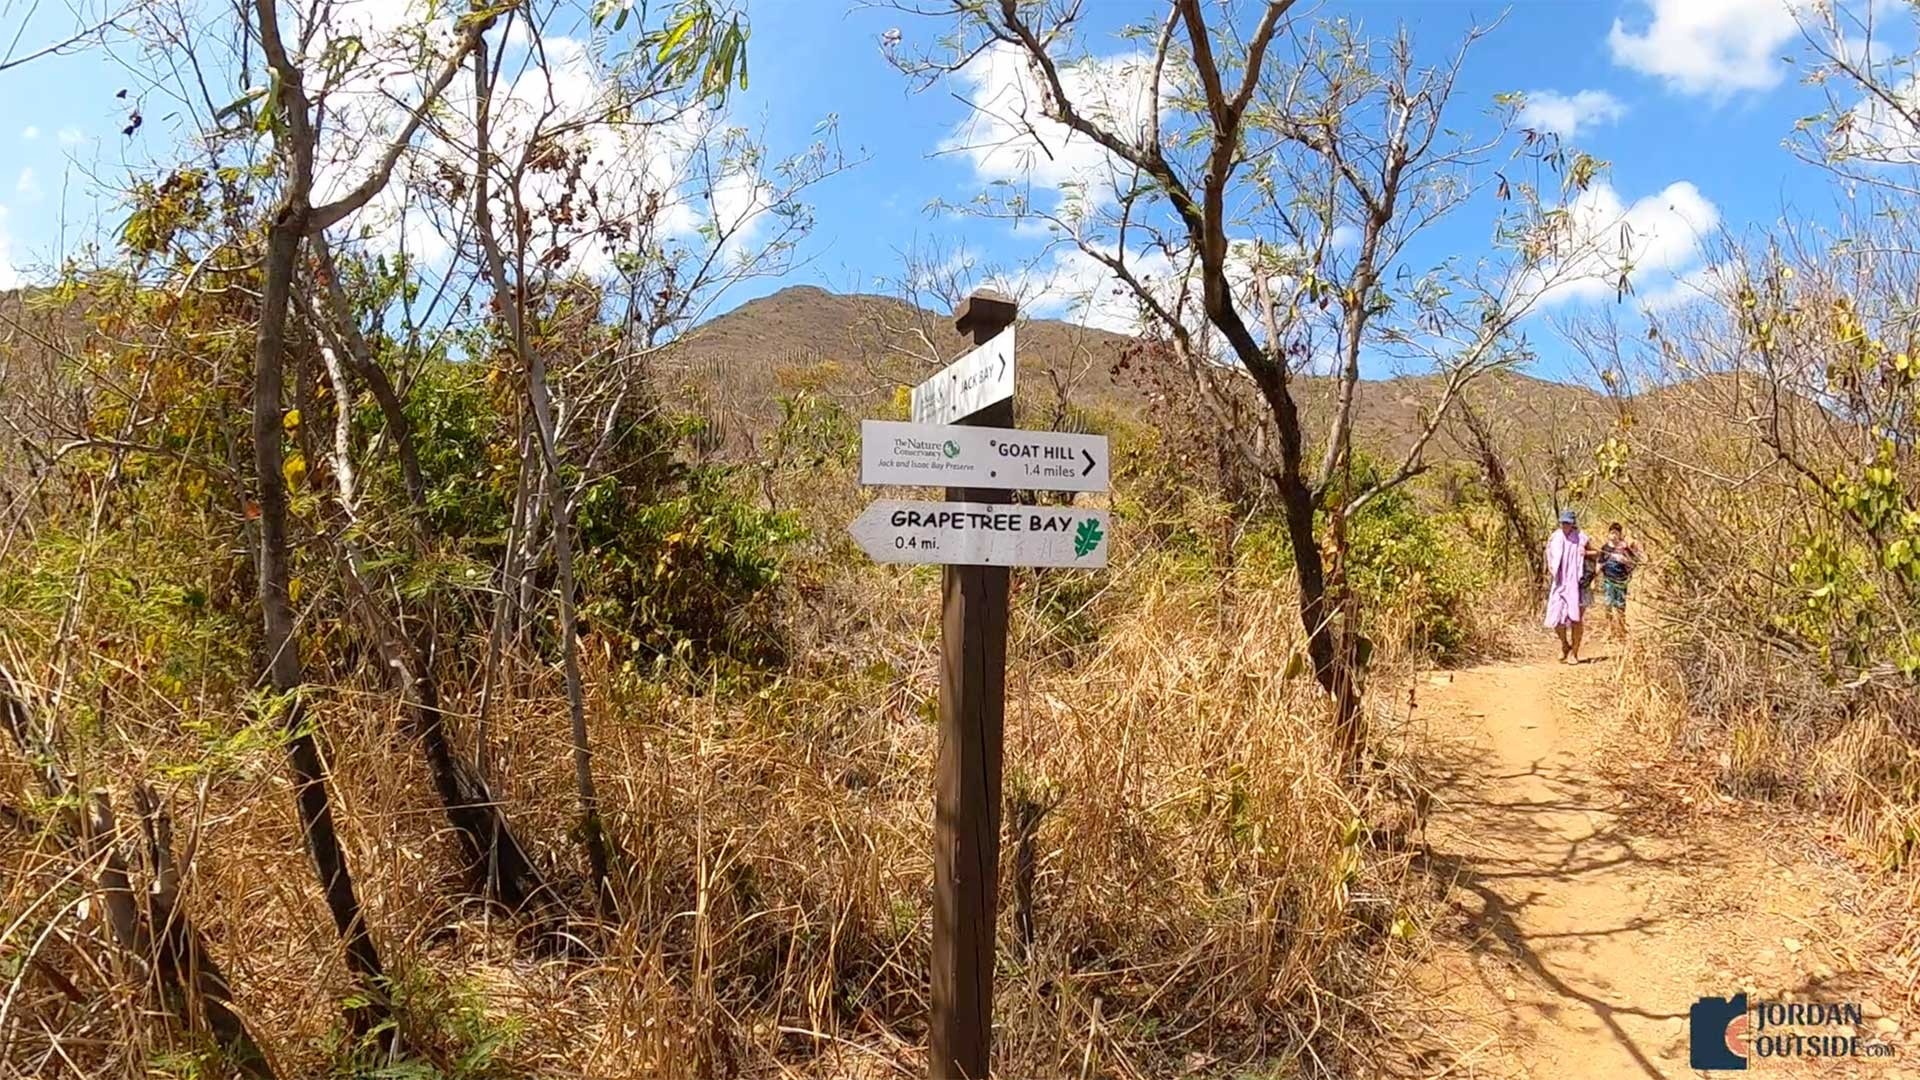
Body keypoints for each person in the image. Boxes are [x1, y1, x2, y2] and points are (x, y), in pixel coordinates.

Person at [1543, 508, 1599, 664]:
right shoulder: (1555, 537)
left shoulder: (1582, 538)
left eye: (1567, 522)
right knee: (1556, 620)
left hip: (1579, 585)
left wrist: (1585, 553)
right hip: (1560, 584)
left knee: (1577, 619)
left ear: (1573, 523)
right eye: (1563, 522)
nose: (1565, 525)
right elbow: (1549, 555)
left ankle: (1574, 653)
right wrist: (1550, 569)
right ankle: (1564, 645)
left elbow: (1597, 553)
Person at [1598, 522, 1643, 637]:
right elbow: (1600, 562)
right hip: (1608, 580)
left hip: (1621, 581)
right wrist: (1595, 574)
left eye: (1616, 533)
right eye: (1612, 532)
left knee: (1620, 606)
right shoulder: (1605, 548)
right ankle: (1610, 629)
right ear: (1608, 534)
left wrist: (1624, 560)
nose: (1614, 535)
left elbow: (1634, 562)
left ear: (1620, 534)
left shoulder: (1624, 548)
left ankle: (1622, 630)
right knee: (1608, 604)